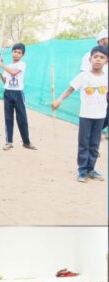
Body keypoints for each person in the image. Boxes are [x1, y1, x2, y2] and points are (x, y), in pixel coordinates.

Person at [52, 45, 108, 182]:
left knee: (95, 144)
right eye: (95, 57)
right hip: (86, 116)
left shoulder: (106, 77)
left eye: (102, 57)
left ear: (107, 61)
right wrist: (59, 99)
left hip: (100, 116)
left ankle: (91, 169)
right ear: (90, 59)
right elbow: (70, 89)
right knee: (84, 143)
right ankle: (82, 171)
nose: (98, 60)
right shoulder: (84, 76)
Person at [0, 42, 36, 151]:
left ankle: (26, 142)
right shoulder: (8, 66)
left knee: (22, 118)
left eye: (19, 52)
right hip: (8, 93)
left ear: (22, 55)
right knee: (8, 118)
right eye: (14, 52)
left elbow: (14, 73)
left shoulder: (22, 64)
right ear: (12, 52)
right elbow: (5, 81)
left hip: (18, 93)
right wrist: (0, 72)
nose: (16, 54)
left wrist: (1, 65)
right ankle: (9, 142)